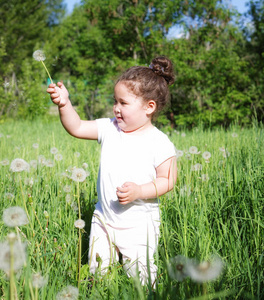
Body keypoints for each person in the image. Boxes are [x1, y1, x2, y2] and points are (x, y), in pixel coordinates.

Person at [47, 56, 177, 286]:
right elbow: (76, 127)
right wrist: (65, 104)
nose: (116, 108)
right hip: (103, 218)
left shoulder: (160, 142)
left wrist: (139, 191)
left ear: (149, 107)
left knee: (141, 276)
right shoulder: (109, 128)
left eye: (123, 103)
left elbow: (168, 180)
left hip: (140, 224)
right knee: (98, 270)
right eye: (115, 101)